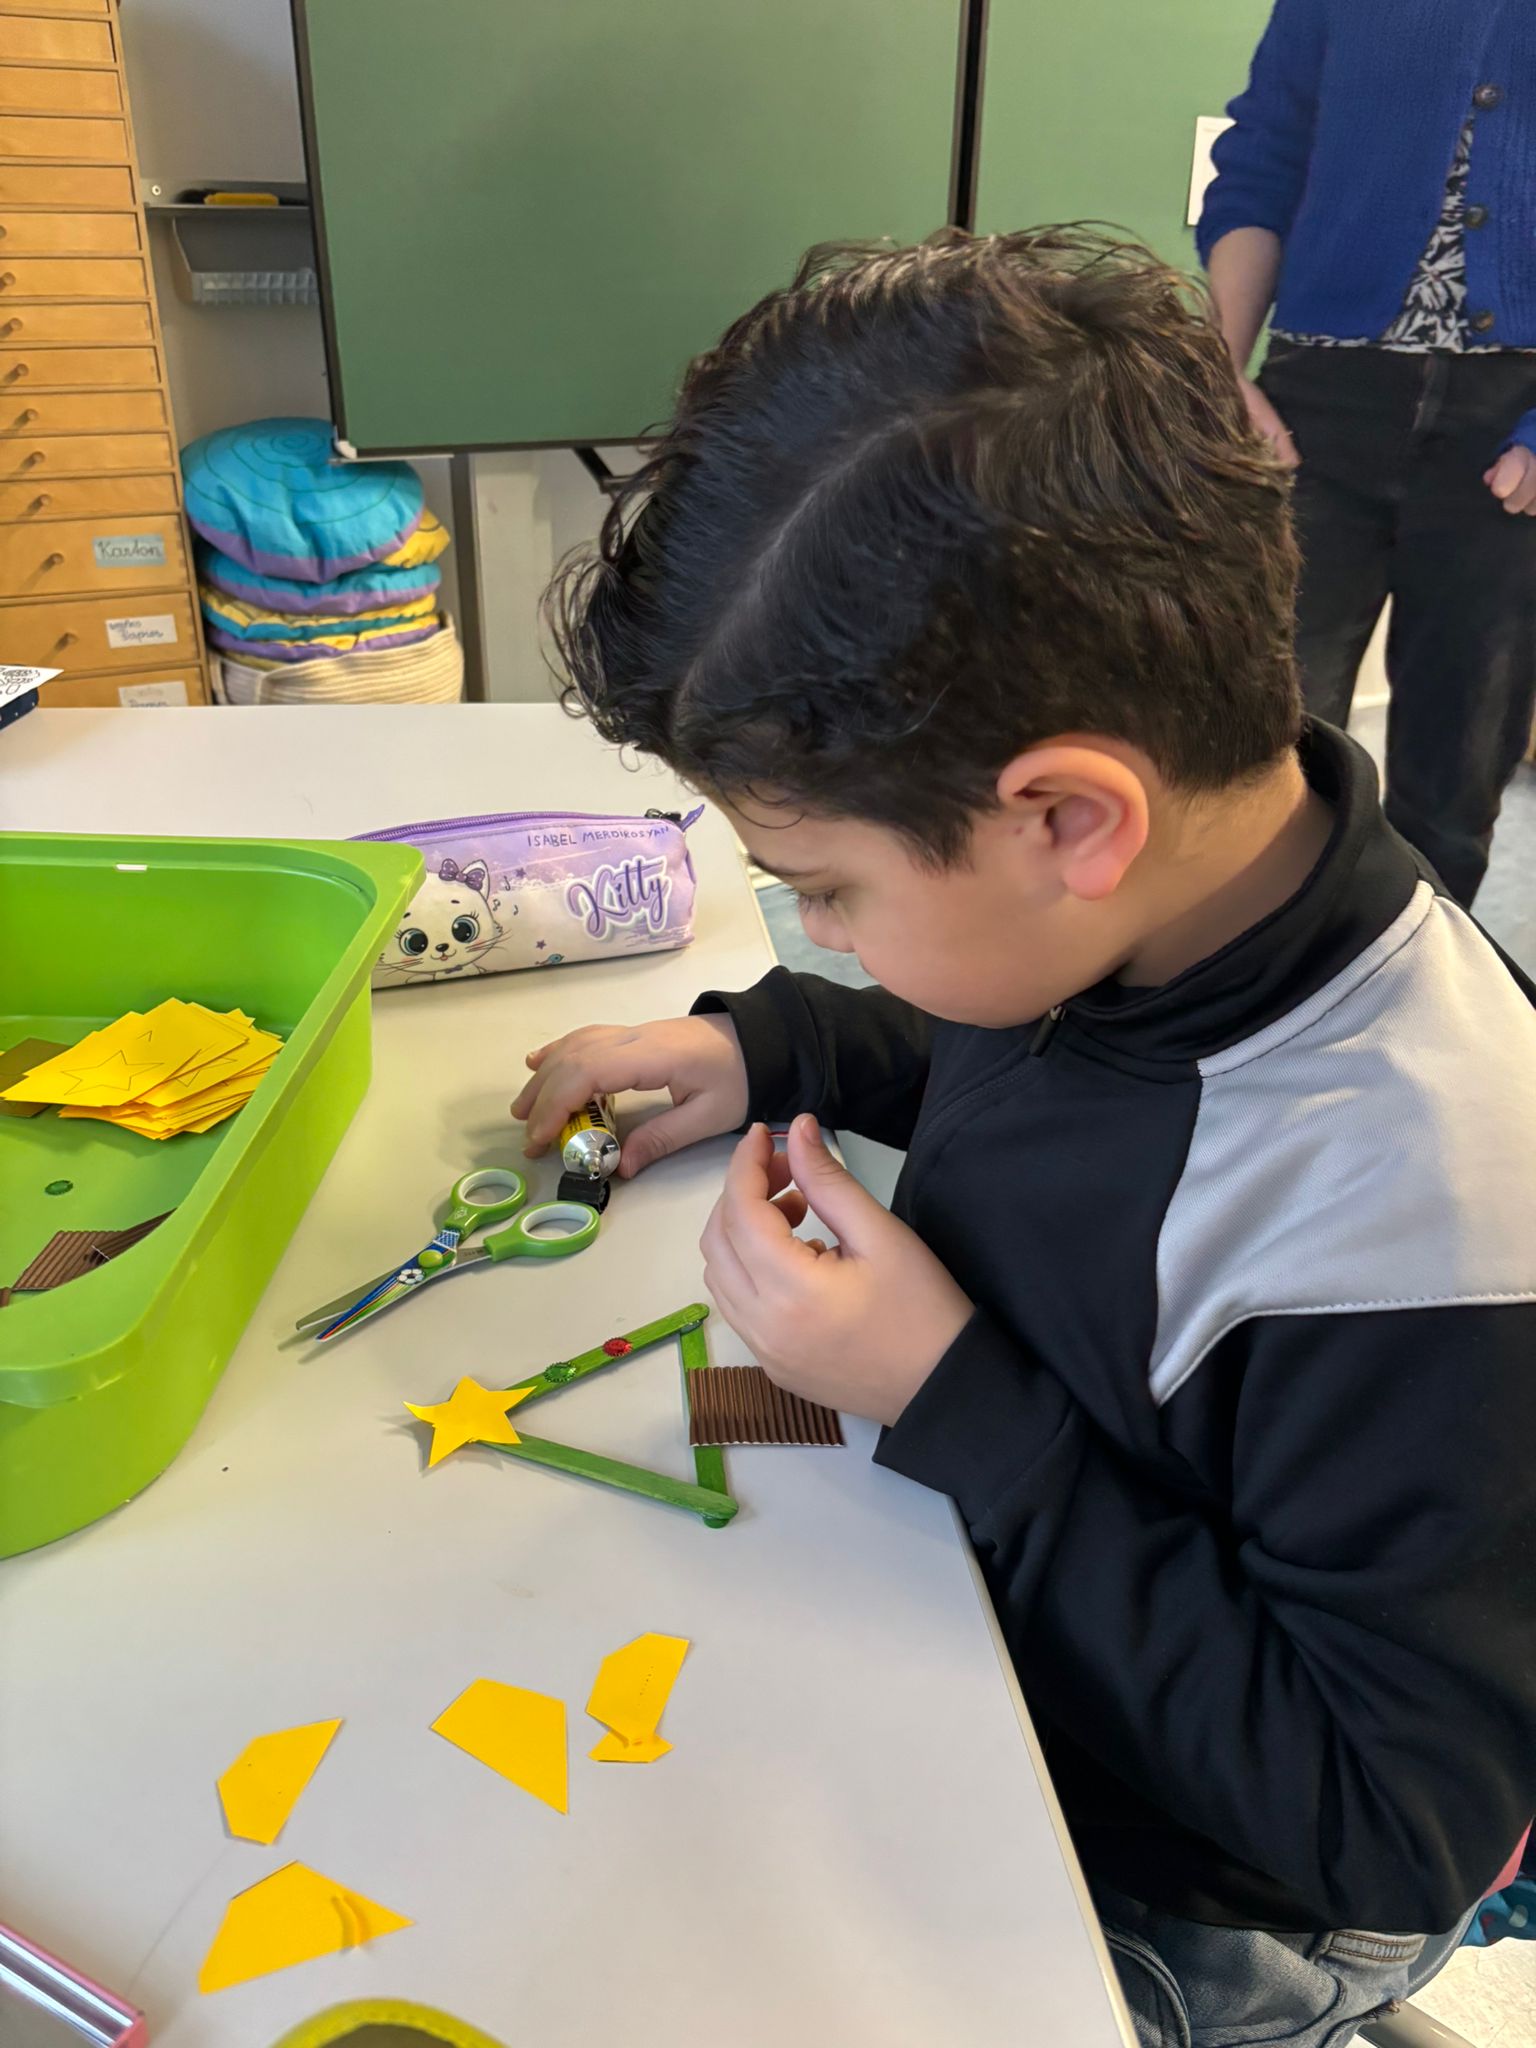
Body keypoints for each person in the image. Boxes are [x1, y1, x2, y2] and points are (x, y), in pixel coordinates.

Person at [515, 229, 1536, 2048]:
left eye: (827, 889)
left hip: (1197, 1884)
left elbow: (1388, 1828)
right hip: (985, 1612)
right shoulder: (1151, 906)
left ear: (1070, 818)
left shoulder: (1428, 1219)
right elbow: (1013, 1053)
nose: (823, 930)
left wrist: (954, 1398)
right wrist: (770, 1043)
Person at [1198, 0, 1536, 908]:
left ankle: (1417, 970)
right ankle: (1265, 972)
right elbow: (1263, 158)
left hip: (1511, 425)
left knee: (1458, 770)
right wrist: (1223, 372)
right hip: (1317, 407)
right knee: (1261, 745)